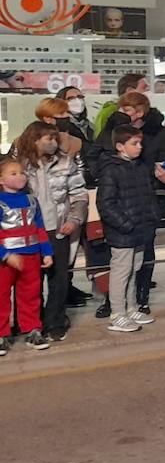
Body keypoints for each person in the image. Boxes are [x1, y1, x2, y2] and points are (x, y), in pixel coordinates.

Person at [12, 121, 86, 341]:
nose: (54, 142)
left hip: (58, 229)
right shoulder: (17, 166)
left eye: (55, 139)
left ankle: (55, 321)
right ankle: (28, 322)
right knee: (27, 281)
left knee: (58, 279)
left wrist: (74, 219)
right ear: (34, 139)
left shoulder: (66, 162)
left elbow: (79, 194)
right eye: (48, 139)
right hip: (28, 233)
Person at [95, 126, 165, 333]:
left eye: (140, 143)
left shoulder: (138, 167)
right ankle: (117, 313)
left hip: (140, 228)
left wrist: (151, 218)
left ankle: (131, 307)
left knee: (134, 268)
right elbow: (106, 204)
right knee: (121, 271)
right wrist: (125, 224)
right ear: (120, 146)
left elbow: (146, 195)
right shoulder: (111, 169)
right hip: (124, 231)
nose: (139, 147)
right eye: (134, 144)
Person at [0, 157, 54, 353]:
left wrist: (46, 252)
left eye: (22, 173)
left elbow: (39, 227)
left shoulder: (32, 200)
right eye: (13, 173)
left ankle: (32, 330)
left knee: (31, 295)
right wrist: (5, 255)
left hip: (31, 257)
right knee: (1, 296)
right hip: (5, 260)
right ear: (1, 179)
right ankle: (1, 334)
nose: (20, 176)